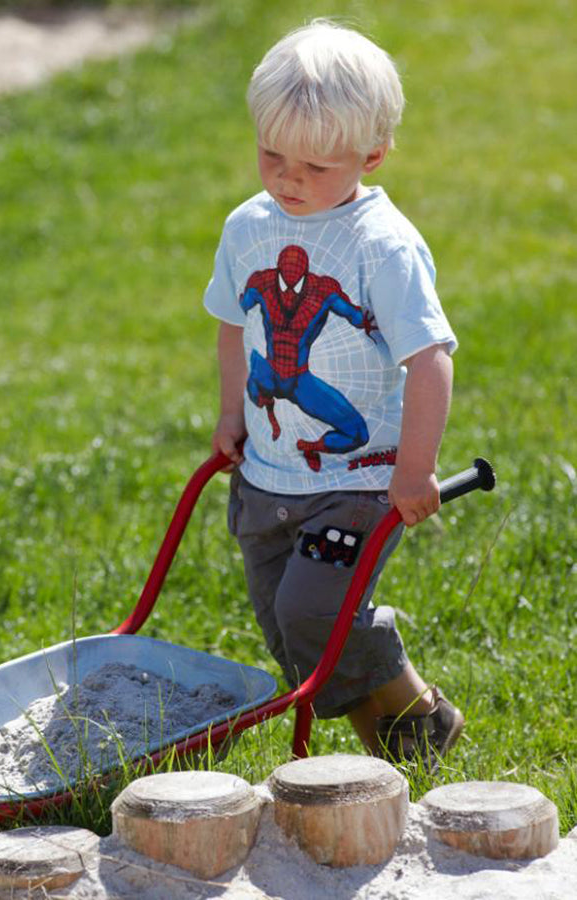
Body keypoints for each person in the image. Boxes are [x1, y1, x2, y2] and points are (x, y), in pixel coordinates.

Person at [204, 19, 463, 767]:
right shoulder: (246, 229)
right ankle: (393, 742)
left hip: (357, 479)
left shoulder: (381, 244)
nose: (287, 178)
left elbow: (430, 359)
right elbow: (232, 324)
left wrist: (413, 470)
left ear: (371, 155)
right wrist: (231, 413)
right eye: (271, 154)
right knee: (288, 628)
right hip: (266, 477)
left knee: (314, 610)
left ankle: (412, 704)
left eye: (315, 165)